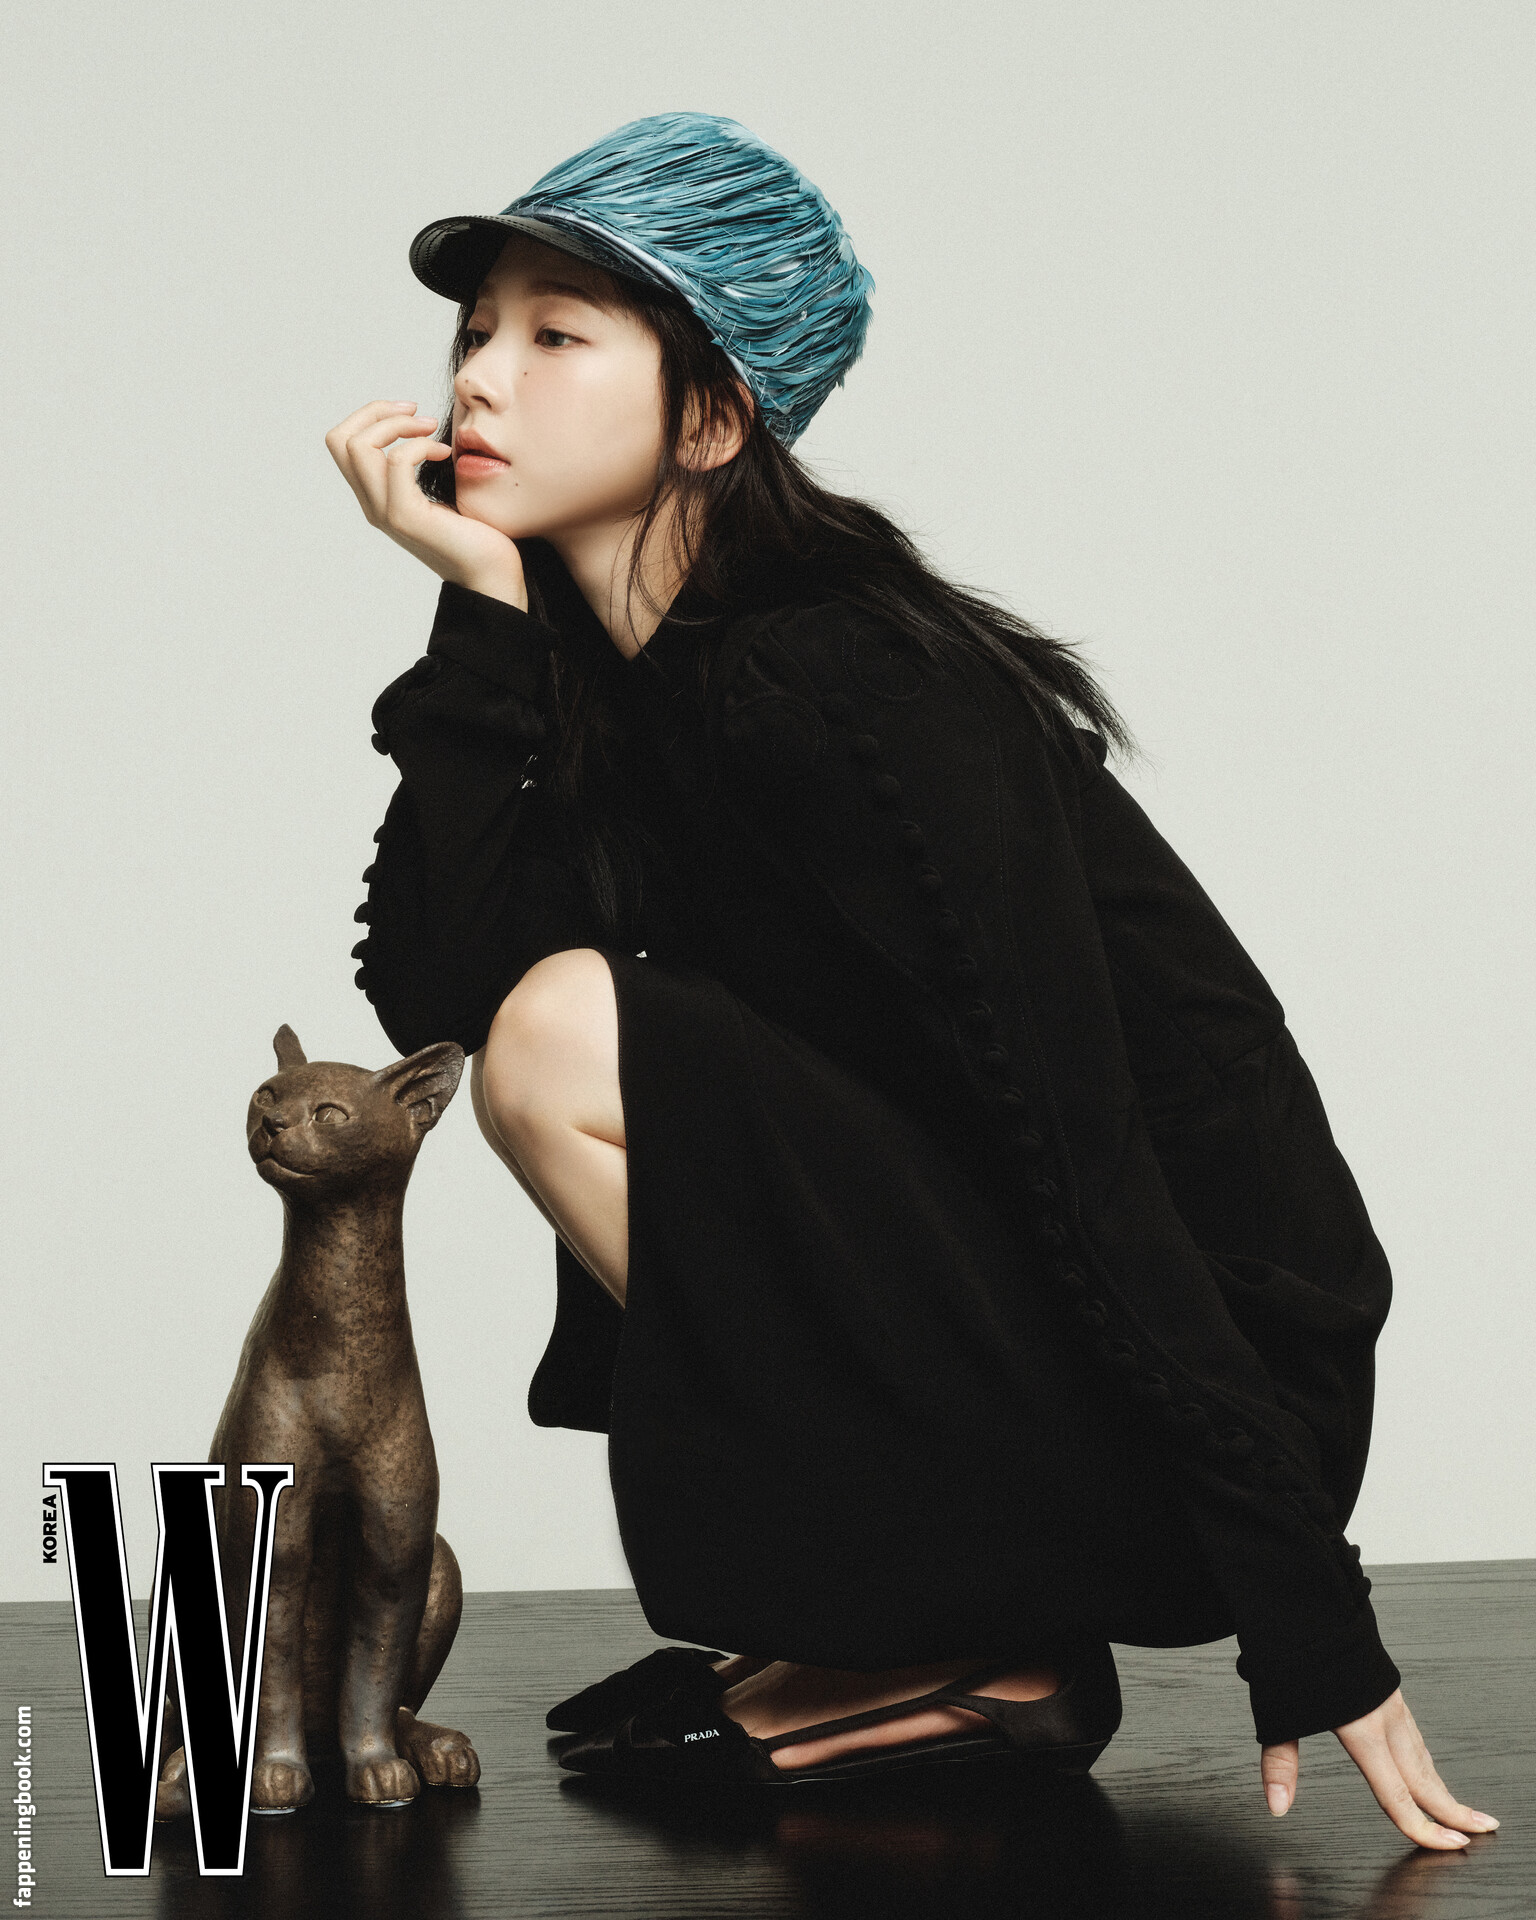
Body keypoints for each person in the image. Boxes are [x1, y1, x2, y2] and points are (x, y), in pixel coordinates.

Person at [327, 112, 1496, 1840]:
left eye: (557, 335)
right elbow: (437, 1000)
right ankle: (944, 1628)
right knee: (540, 1027)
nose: (479, 381)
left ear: (713, 419)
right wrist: (484, 619)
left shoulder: (848, 685)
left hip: (1198, 1389)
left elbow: (1084, 1148)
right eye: (475, 331)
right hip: (1010, 1334)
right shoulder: (606, 685)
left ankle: (984, 1630)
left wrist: (1306, 1610)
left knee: (567, 1032)